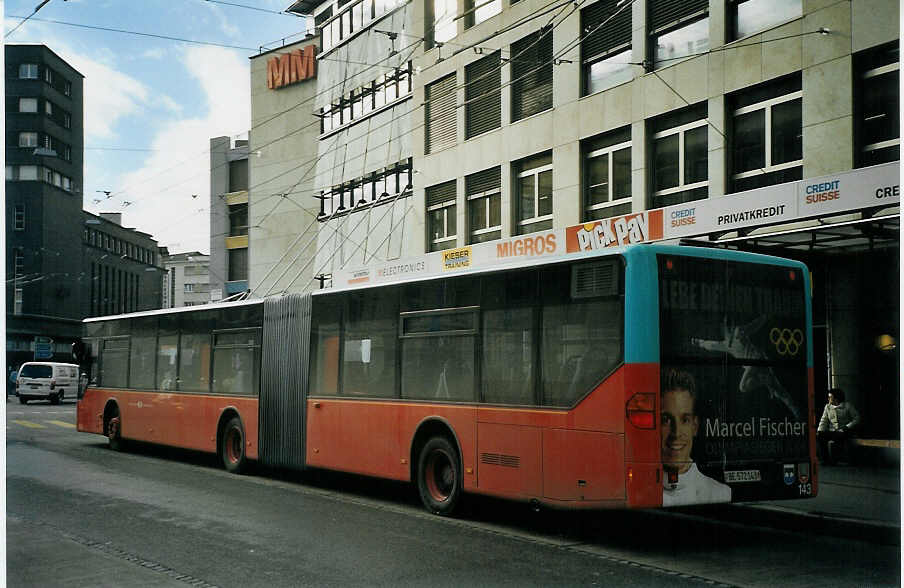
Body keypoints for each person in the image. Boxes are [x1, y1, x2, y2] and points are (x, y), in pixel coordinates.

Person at [661, 368, 732, 507]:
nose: (675, 433)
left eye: (685, 420)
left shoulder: (720, 494)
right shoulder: (638, 494)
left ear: (695, 426)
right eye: (665, 420)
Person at [817, 388, 860, 465]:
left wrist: (846, 427)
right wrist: (820, 431)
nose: (828, 399)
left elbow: (857, 418)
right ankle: (825, 460)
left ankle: (837, 460)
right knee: (821, 436)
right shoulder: (827, 407)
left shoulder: (848, 406)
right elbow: (824, 420)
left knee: (839, 437)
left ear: (836, 399)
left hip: (846, 430)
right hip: (834, 431)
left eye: (830, 397)